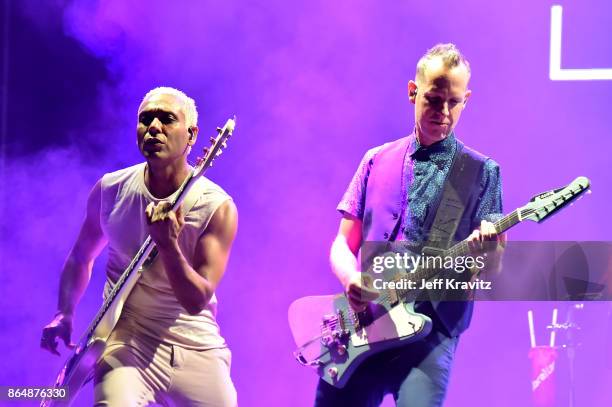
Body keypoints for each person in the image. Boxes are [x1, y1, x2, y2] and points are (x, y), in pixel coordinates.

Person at [315, 44, 506, 406]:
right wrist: (349, 279)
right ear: (412, 92)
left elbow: (492, 269)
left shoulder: (482, 172)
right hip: (364, 326)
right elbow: (343, 243)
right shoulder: (376, 160)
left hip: (429, 338)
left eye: (454, 102)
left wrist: (490, 248)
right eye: (434, 100)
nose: (444, 112)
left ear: (467, 98)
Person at [40, 87, 238, 406]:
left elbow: (196, 299)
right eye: (146, 119)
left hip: (195, 346)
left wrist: (169, 246)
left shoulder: (217, 207)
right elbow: (80, 257)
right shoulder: (111, 189)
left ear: (192, 135)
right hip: (125, 342)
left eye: (166, 119)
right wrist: (64, 313)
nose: (154, 127)